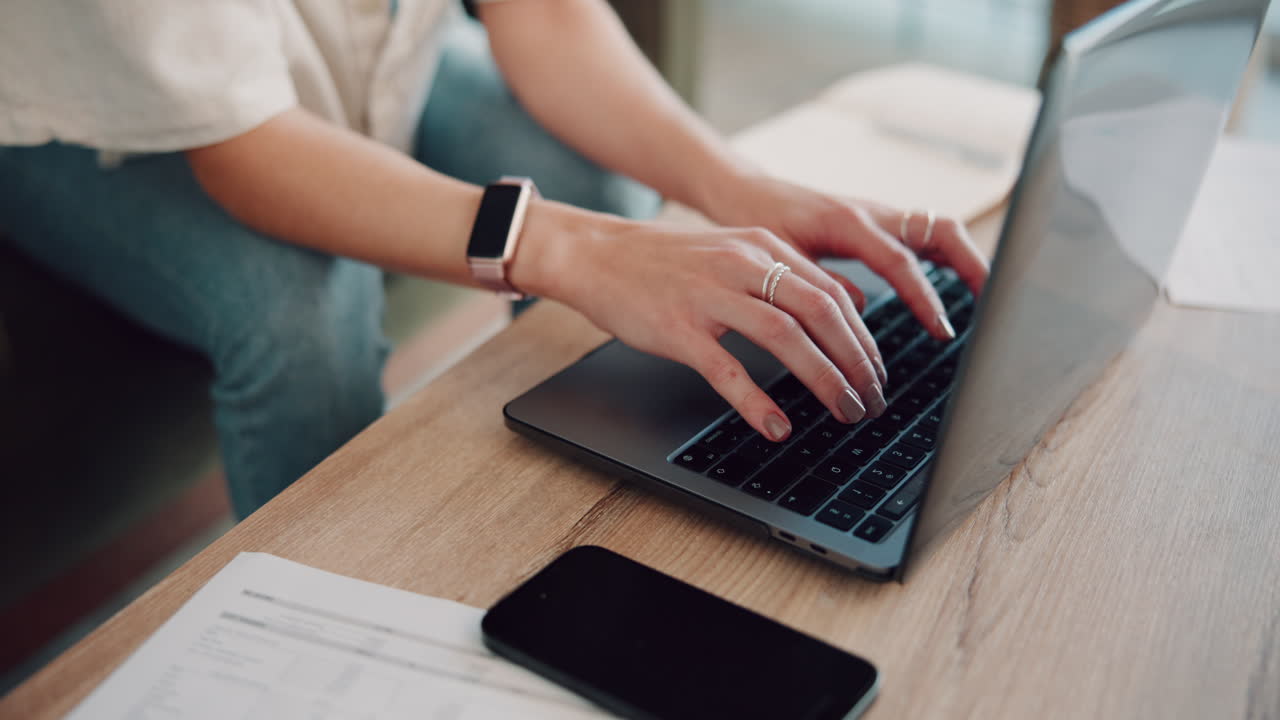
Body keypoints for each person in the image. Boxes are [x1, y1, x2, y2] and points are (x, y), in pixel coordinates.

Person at [0, 0, 987, 519]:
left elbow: (544, 13)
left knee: (592, 179)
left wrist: (739, 188)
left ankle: (589, 522)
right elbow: (245, 147)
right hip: (91, 121)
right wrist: (563, 249)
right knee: (301, 311)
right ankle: (322, 629)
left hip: (364, 63)